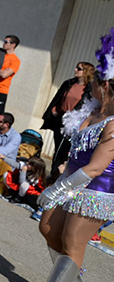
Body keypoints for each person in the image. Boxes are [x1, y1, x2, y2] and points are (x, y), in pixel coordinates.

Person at [38, 29, 114, 282]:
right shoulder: (92, 109)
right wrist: (60, 182)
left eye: (93, 82)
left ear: (104, 86)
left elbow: (95, 168)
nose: (87, 86)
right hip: (73, 183)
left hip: (96, 192)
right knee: (48, 227)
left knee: (72, 243)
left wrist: (56, 190)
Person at [42, 62, 96, 173]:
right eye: (76, 67)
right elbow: (58, 98)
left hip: (74, 123)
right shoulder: (69, 83)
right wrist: (54, 110)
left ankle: (59, 175)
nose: (75, 69)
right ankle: (53, 174)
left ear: (86, 72)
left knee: (66, 151)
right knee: (58, 150)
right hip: (60, 120)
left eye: (79, 68)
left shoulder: (89, 89)